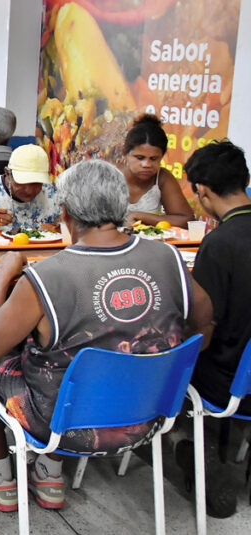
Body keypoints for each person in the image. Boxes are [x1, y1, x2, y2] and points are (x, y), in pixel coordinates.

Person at [0, 159, 212, 513]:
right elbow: (203, 320)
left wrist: (2, 277)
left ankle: (0, 477)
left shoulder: (48, 275)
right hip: (148, 417)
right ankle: (48, 474)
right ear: (123, 207)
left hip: (64, 425)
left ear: (65, 212)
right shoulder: (169, 257)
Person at [178, 141, 250, 518]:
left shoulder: (220, 243)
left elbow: (202, 326)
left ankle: (197, 452)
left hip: (227, 381)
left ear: (201, 191)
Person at [120, 114, 195, 228]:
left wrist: (139, 216)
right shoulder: (109, 175)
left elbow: (186, 220)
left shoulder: (162, 177)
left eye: (154, 159)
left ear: (162, 156)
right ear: (125, 154)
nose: (147, 165)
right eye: (140, 158)